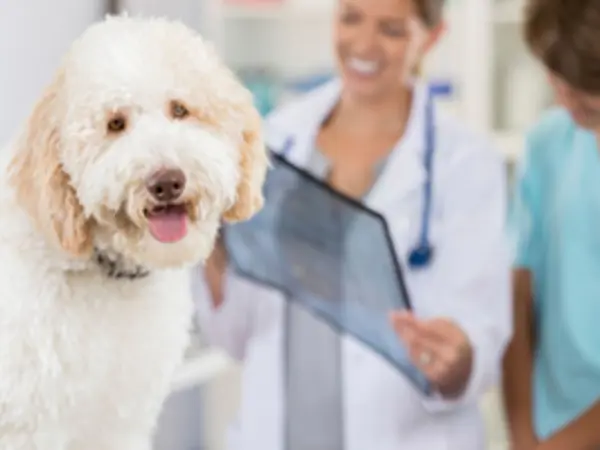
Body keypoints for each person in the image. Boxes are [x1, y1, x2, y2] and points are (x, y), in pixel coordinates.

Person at [194, 0, 511, 449]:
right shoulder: (276, 140)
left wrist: (455, 359)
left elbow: (480, 336)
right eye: (351, 17)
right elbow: (234, 333)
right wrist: (211, 247)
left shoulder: (465, 163)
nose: (364, 44)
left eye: (391, 29)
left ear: (432, 36)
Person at [503, 1, 600, 449]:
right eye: (556, 78)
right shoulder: (549, 142)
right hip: (551, 423)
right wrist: (524, 436)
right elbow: (517, 292)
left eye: (584, 90)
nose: (564, 99)